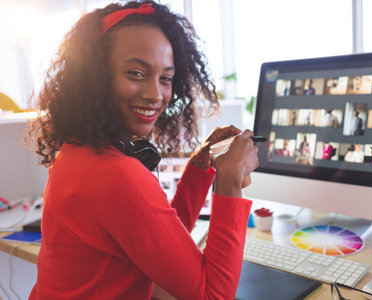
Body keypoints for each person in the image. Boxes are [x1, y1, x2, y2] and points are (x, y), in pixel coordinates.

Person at [27, 2, 259, 299]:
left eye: (166, 78)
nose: (155, 95)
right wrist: (230, 182)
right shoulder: (116, 175)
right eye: (136, 73)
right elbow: (212, 294)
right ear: (97, 78)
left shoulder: (76, 151)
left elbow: (155, 240)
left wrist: (199, 170)